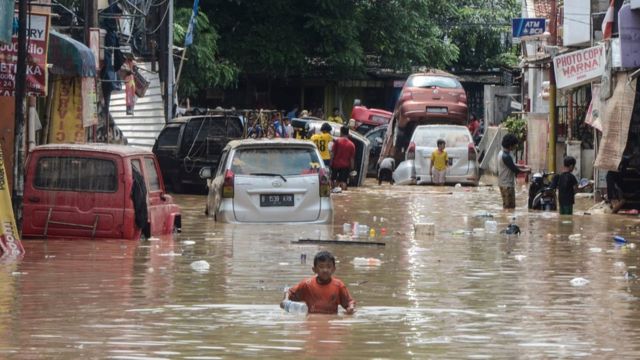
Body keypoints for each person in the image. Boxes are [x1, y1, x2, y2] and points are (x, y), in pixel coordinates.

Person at [281, 251, 356, 315]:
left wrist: (350, 308)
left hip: (331, 322)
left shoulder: (339, 285)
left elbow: (349, 302)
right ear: (314, 269)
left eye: (329, 267)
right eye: (321, 267)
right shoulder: (307, 284)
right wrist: (285, 301)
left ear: (334, 269)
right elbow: (289, 292)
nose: (325, 270)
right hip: (311, 322)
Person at [498, 133, 531, 209]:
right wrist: (526, 171)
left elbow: (511, 164)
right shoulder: (506, 156)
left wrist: (522, 166)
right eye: (514, 145)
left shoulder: (502, 153)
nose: (516, 146)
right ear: (510, 146)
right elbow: (515, 170)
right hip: (507, 186)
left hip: (503, 184)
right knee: (509, 208)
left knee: (507, 207)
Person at [331, 125, 356, 191]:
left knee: (333, 180)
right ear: (348, 133)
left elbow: (332, 154)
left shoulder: (337, 141)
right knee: (343, 182)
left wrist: (330, 164)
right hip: (345, 166)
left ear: (341, 132)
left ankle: (333, 191)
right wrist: (352, 169)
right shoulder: (352, 144)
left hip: (335, 165)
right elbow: (352, 159)